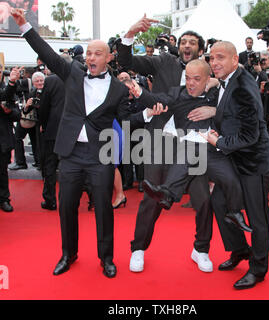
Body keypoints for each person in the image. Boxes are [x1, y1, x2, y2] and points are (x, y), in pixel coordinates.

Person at [11, 8, 165, 278]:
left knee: (104, 209)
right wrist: (24, 25)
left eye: (98, 53)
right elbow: (46, 51)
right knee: (67, 207)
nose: (92, 57)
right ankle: (68, 254)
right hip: (70, 154)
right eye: (90, 53)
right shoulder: (71, 72)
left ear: (107, 58)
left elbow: (125, 118)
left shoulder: (118, 88)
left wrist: (147, 113)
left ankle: (106, 258)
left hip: (100, 156)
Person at [117, 14, 222, 274]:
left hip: (194, 142)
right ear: (178, 45)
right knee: (151, 197)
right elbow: (127, 61)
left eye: (192, 42)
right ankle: (138, 249)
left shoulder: (213, 73)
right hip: (160, 138)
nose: (187, 46)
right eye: (183, 41)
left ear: (201, 48)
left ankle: (201, 249)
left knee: (202, 198)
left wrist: (213, 108)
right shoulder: (163, 61)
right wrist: (130, 32)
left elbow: (237, 93)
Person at [127, 59, 249, 234]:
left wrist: (214, 108)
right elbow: (157, 99)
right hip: (188, 145)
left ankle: (234, 213)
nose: (191, 83)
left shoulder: (218, 92)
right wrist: (140, 93)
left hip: (213, 148)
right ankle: (166, 195)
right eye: (188, 78)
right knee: (183, 165)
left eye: (197, 79)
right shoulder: (177, 93)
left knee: (229, 181)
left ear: (208, 79)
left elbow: (240, 90)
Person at [205, 41, 269, 290]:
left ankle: (258, 268)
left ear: (235, 59)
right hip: (232, 157)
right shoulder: (227, 81)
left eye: (220, 57)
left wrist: (219, 141)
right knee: (220, 202)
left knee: (257, 216)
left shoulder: (243, 86)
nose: (215, 63)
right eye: (212, 58)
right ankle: (239, 250)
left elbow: (249, 135)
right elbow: (231, 118)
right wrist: (218, 131)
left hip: (253, 161)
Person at [38, 71, 65, 210]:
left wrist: (43, 123)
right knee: (74, 165)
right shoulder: (79, 77)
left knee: (50, 165)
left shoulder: (51, 80)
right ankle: (86, 199)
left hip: (53, 128)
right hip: (73, 129)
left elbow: (44, 105)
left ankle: (50, 200)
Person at [0, 66, 22, 212]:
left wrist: (8, 112)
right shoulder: (7, 90)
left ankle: (3, 199)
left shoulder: (9, 91)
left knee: (2, 171)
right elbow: (3, 95)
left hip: (3, 139)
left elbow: (17, 114)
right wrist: (11, 84)